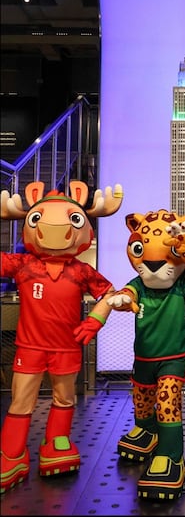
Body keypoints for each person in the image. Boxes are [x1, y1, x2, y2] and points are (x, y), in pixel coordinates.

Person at [0, 181, 122, 493]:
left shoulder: (81, 271)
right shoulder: (24, 264)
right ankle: (12, 454)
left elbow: (110, 294)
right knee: (20, 402)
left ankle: (56, 444)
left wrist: (95, 320)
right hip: (30, 347)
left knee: (64, 398)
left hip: (67, 348)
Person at [106, 210, 185, 500]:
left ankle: (171, 456)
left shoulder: (181, 285)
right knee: (142, 401)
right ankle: (147, 432)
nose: (151, 264)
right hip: (144, 357)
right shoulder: (138, 285)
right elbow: (129, 292)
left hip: (174, 356)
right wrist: (123, 301)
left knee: (166, 404)